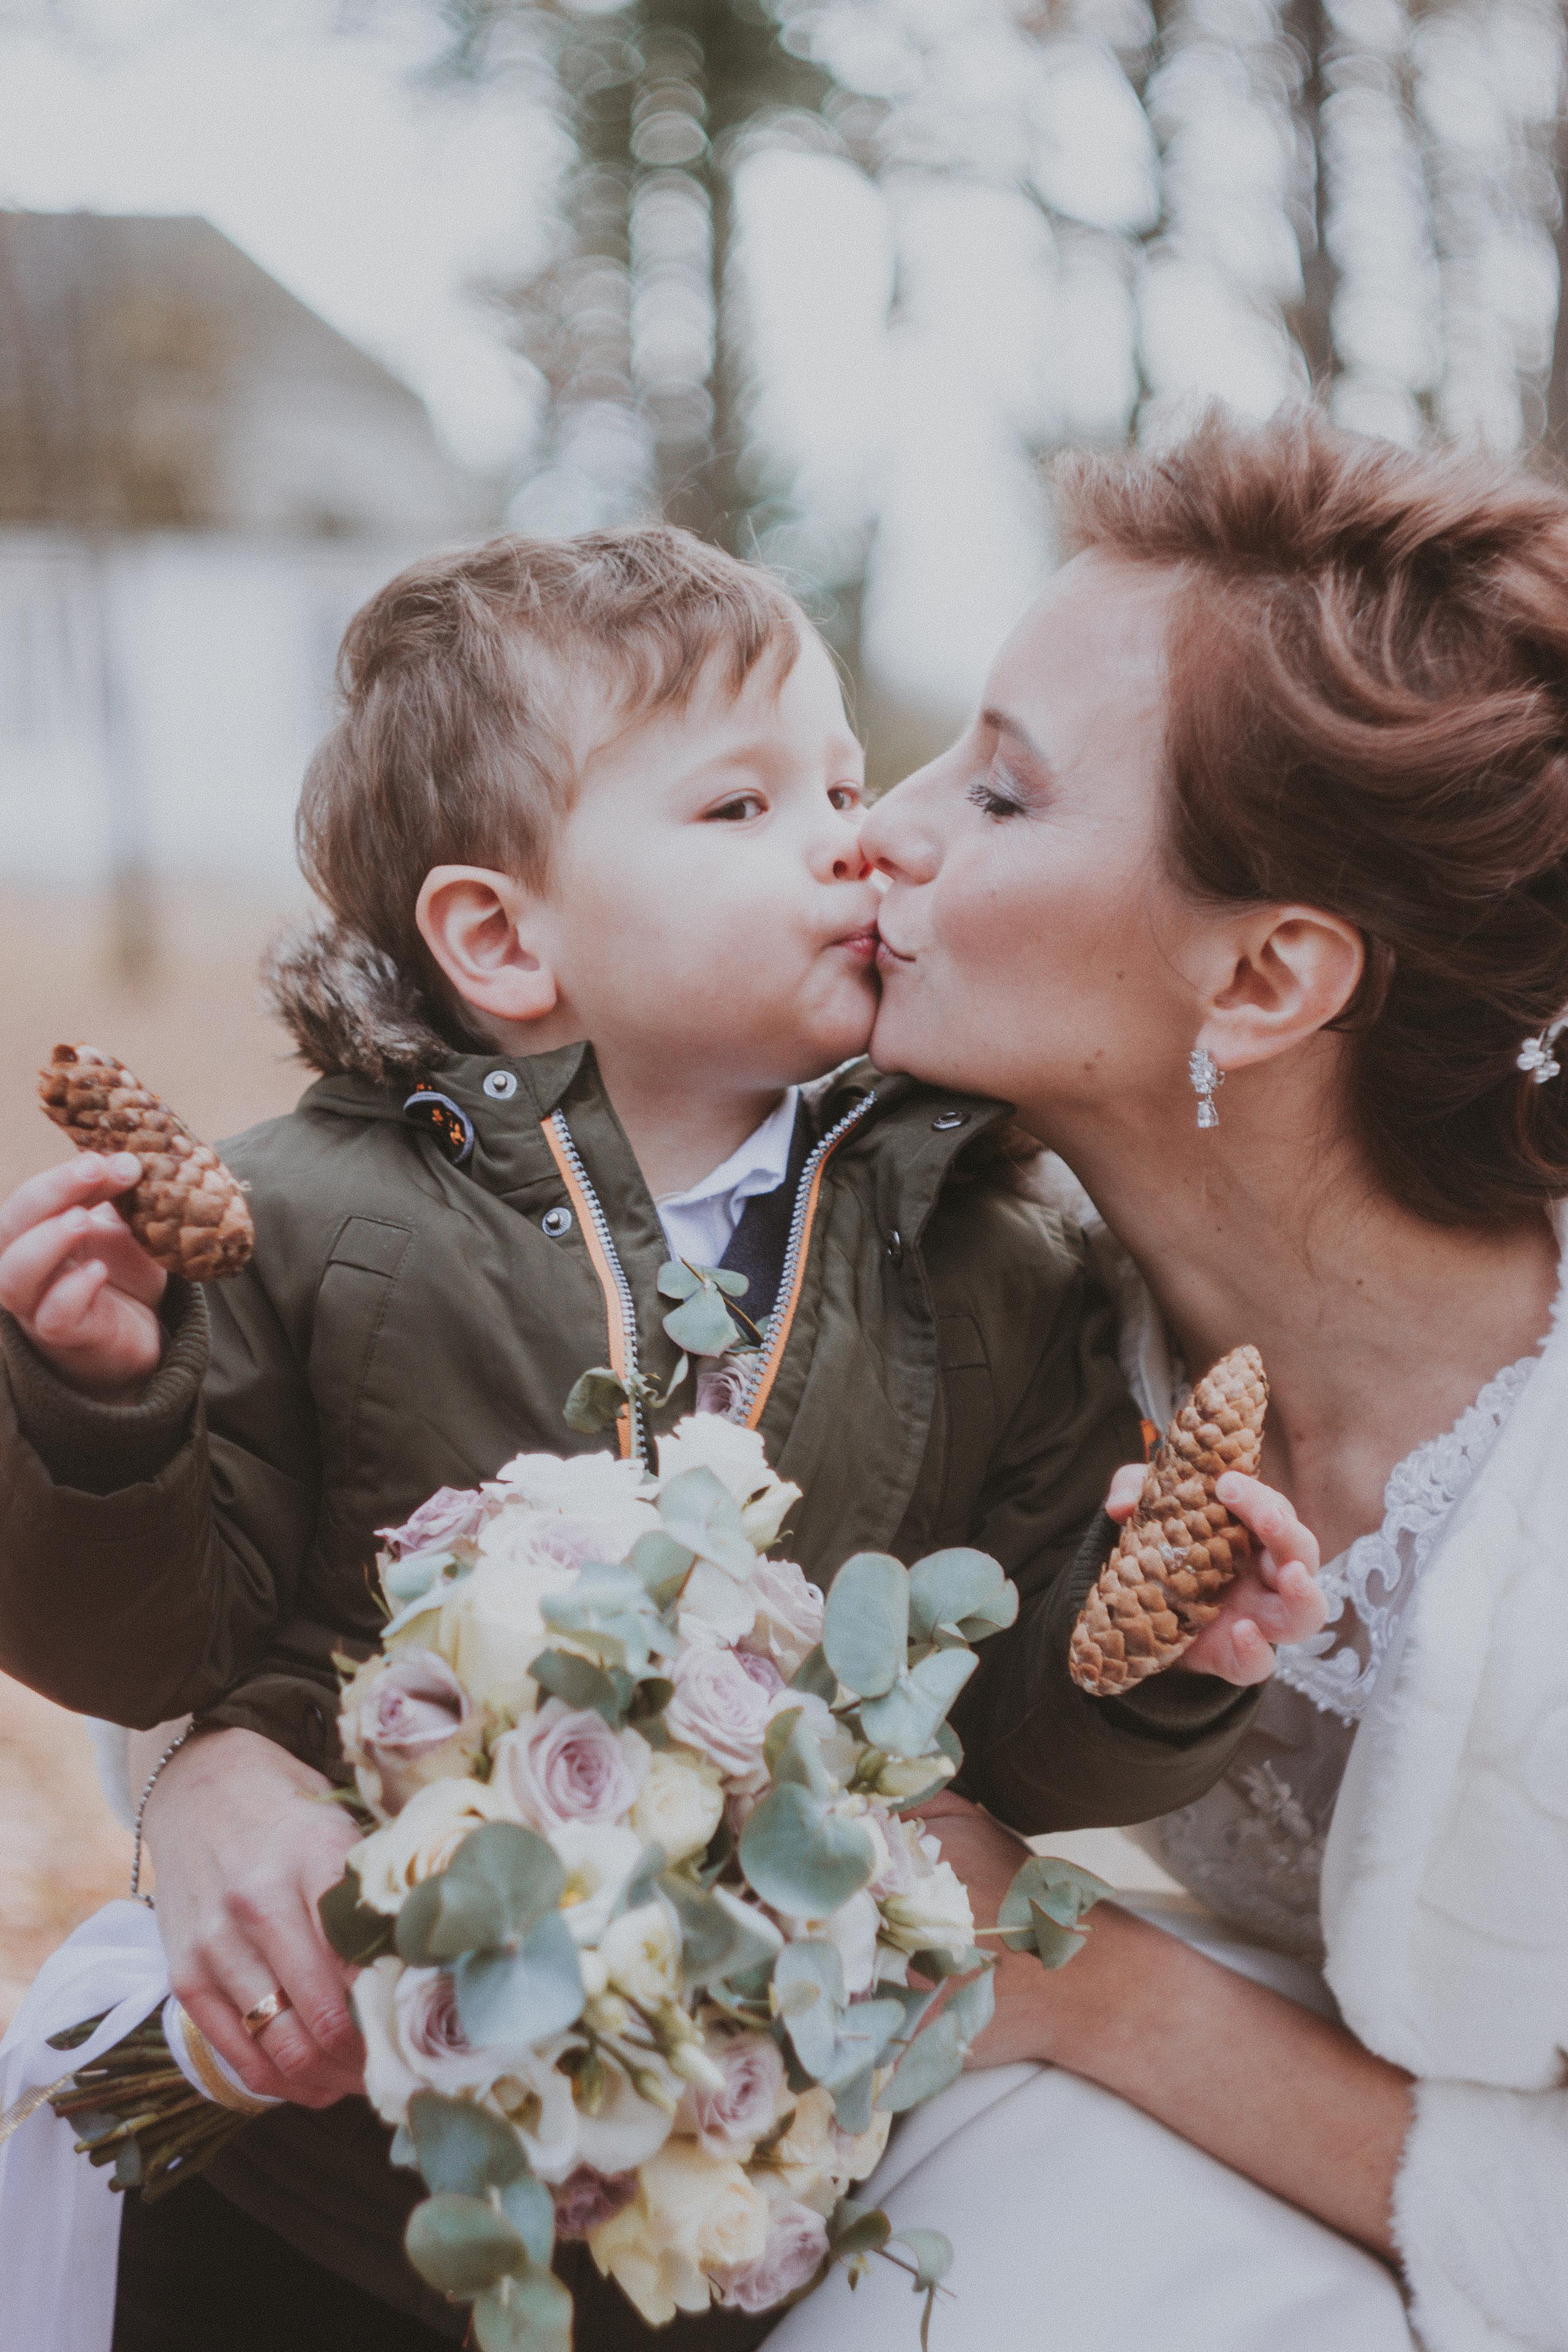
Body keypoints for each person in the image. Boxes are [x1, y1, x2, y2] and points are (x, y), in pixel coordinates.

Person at [0, 527, 1316, 2350]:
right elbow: (150, 1645)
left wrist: (1148, 1642)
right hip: (297, 2153)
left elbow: (1008, 1737)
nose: (855, 835)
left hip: (702, 2174)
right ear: (501, 936)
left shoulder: (991, 1260)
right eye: (742, 808)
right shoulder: (300, 1224)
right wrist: (94, 1393)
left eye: (847, 781)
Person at [768, 409, 1568, 2352]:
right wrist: (210, 1783)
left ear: (1270, 976)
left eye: (1009, 798)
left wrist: (1075, 1979)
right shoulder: (973, 1279)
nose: (886, 826)